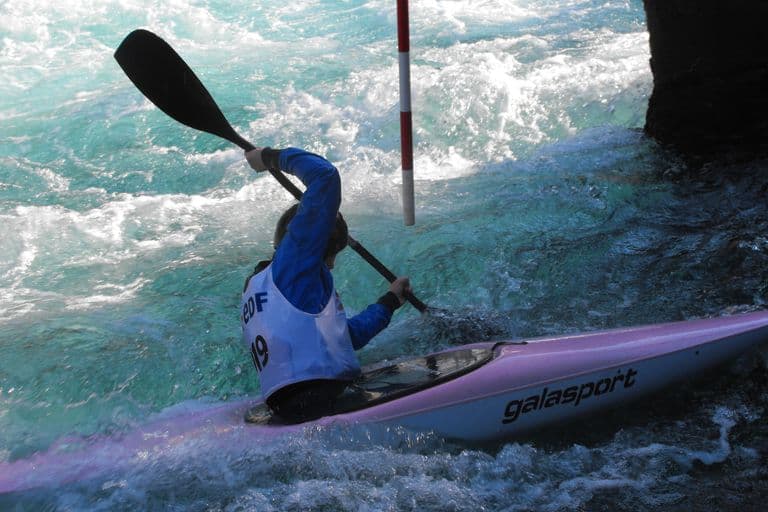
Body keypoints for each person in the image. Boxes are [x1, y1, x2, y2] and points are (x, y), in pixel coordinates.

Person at [240, 147, 412, 424]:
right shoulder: (295, 264)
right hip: (323, 394)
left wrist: (389, 302)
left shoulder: (258, 285)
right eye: (332, 255)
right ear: (317, 247)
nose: (332, 266)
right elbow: (325, 176)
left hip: (285, 405)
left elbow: (343, 338)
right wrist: (269, 158)